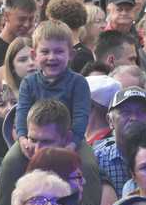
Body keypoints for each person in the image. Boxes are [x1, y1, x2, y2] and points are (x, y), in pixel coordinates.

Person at [0, 99, 105, 205]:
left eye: (47, 142)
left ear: (67, 138)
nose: (37, 149)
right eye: (33, 140)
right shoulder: (15, 161)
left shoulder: (84, 165)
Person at [16, 20, 90, 152]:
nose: (52, 57)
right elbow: (22, 114)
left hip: (69, 141)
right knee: (11, 162)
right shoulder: (28, 83)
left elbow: (81, 118)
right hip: (35, 141)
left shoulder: (78, 82)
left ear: (71, 55)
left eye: (59, 52)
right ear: (34, 55)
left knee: (89, 165)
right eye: (45, 52)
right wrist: (23, 139)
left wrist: (72, 145)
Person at [94, 86, 146, 196]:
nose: (134, 118)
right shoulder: (96, 160)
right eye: (125, 112)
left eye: (142, 112)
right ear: (110, 120)